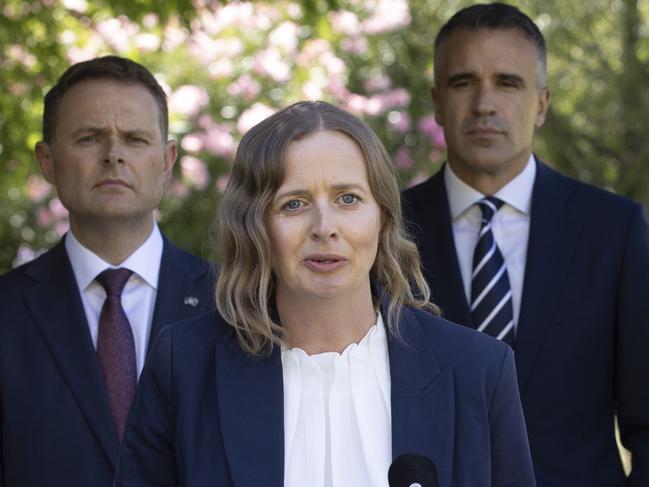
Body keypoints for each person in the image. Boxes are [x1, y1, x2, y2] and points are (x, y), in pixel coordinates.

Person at [114, 100, 536, 487]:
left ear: (382, 219)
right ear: (254, 227)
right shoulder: (186, 366)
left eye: (348, 199)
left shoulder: (478, 370)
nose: (324, 227)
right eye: (294, 204)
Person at [402, 3, 649, 486]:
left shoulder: (613, 230)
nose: (484, 104)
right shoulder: (387, 230)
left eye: (508, 82)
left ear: (541, 103)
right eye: (463, 82)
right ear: (436, 101)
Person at [0, 56, 214, 487]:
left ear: (167, 160)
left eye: (135, 139)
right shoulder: (6, 312)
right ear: (48, 160)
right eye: (89, 138)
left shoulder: (234, 304)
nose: (113, 155)